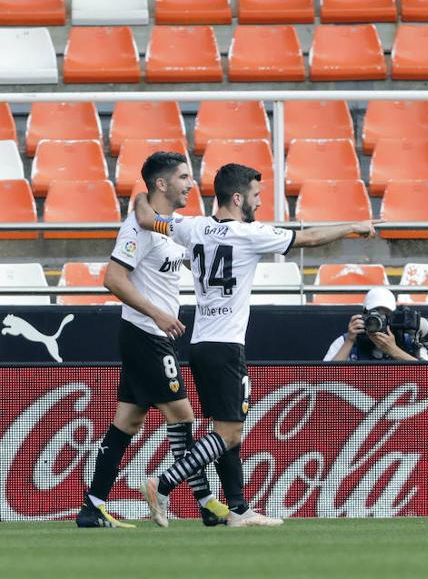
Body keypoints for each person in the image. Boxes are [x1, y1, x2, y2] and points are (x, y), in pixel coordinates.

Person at [133, 163, 377, 528]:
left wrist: (141, 193)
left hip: (200, 345)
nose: (260, 203)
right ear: (237, 197)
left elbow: (145, 216)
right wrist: (354, 227)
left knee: (224, 430)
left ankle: (238, 509)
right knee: (229, 433)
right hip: (227, 346)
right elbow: (307, 238)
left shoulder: (192, 226)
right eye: (256, 196)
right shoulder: (250, 234)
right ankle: (163, 483)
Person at [77, 152, 230, 529]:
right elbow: (113, 279)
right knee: (184, 416)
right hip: (146, 335)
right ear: (161, 184)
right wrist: (158, 314)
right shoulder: (137, 229)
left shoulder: (168, 226)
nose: (190, 184)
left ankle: (92, 507)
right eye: (183, 177)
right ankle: (206, 502)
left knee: (127, 422)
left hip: (153, 336)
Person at [324, 287, 422, 362]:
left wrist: (394, 350)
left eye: (385, 315)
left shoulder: (408, 341)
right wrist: (350, 341)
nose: (379, 320)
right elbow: (325, 379)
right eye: (375, 314)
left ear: (393, 317)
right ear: (364, 315)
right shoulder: (345, 340)